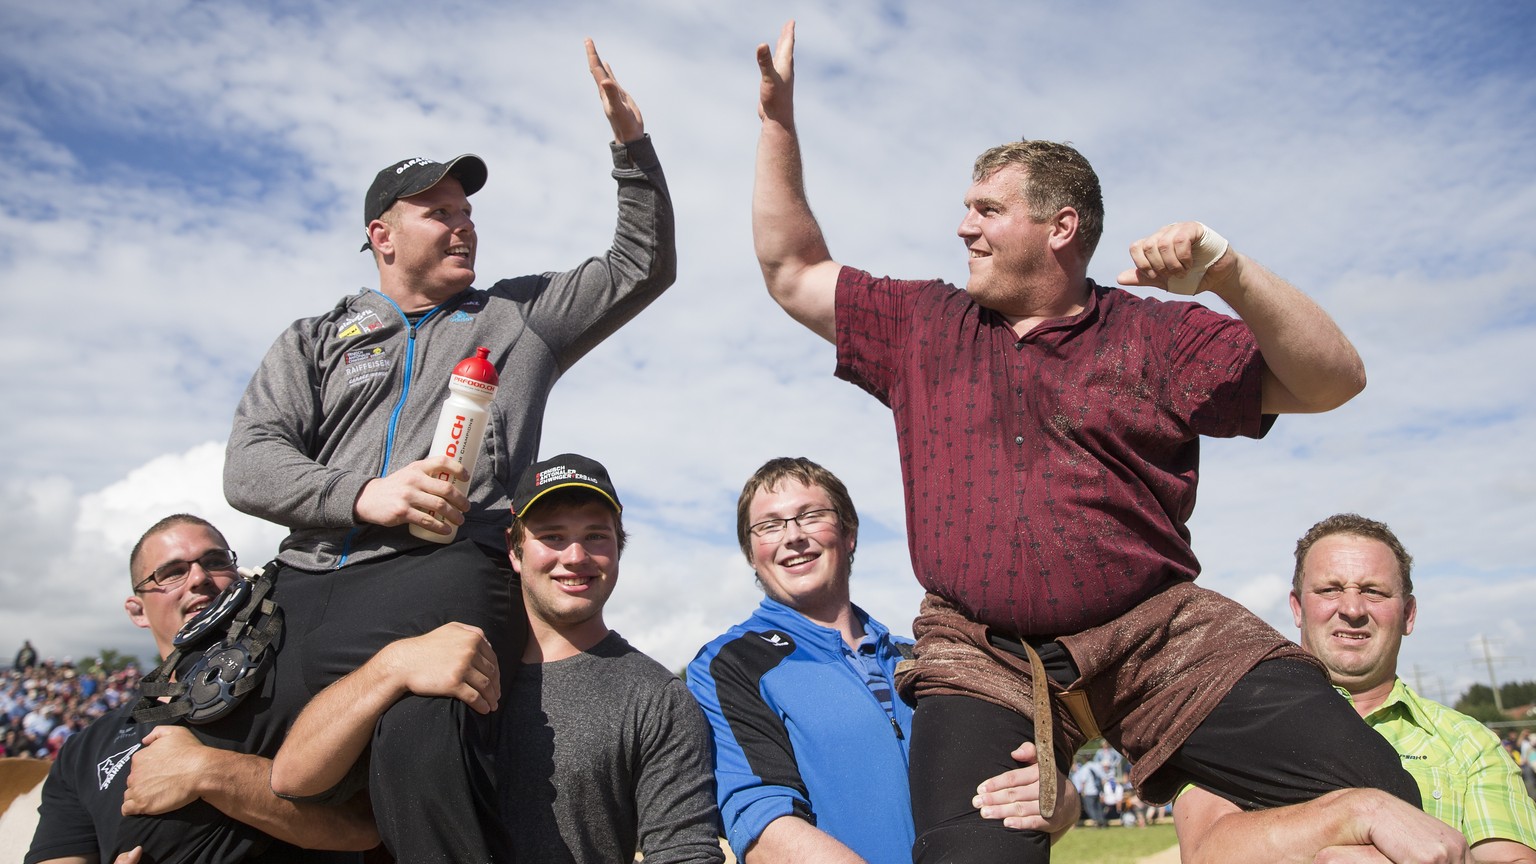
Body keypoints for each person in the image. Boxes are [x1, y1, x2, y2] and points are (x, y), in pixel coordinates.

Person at [750, 20, 1431, 862]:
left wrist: (1228, 273)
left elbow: (1335, 380)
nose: (963, 227)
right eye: (967, 209)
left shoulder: (1156, 335)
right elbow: (791, 270)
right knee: (976, 859)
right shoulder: (924, 323)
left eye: (987, 210)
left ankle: (1337, 819)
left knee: (1393, 806)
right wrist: (777, 121)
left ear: (1059, 227)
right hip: (981, 651)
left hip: (1159, 634)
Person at [222, 39, 674, 863]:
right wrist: (366, 495)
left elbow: (640, 264)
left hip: (443, 569)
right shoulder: (316, 337)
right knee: (226, 774)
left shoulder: (520, 315)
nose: (464, 224)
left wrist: (631, 150)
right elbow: (249, 462)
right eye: (440, 212)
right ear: (382, 236)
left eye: (468, 212)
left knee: (419, 741)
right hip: (303, 584)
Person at [271, 454, 724, 864]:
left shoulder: (656, 697)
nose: (576, 556)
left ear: (617, 550)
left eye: (596, 536)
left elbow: (684, 853)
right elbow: (293, 778)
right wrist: (390, 667)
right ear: (514, 550)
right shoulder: (436, 658)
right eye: (552, 536)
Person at [687, 457, 1077, 863]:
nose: (793, 536)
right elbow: (765, 832)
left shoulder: (931, 657)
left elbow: (996, 813)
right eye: (769, 525)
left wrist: (1062, 802)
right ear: (752, 553)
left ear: (849, 533)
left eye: (810, 515)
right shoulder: (729, 665)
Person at [1175, 514, 1536, 863]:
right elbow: (1207, 851)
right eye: (1330, 589)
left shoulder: (1470, 744)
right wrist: (1360, 811)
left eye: (1373, 591)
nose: (1351, 608)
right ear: (1298, 607)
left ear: (1408, 614)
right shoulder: (1231, 721)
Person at [26, 514, 376, 864]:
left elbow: (365, 825)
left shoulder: (300, 673)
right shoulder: (84, 751)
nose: (199, 578)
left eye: (215, 561)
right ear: (137, 611)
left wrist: (210, 772)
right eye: (172, 572)